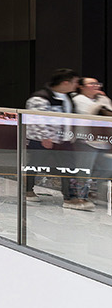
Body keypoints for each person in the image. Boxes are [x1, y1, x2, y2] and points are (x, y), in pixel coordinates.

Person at [25, 68, 92, 210]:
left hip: (64, 140)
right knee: (35, 165)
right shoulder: (40, 98)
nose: (76, 85)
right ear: (65, 83)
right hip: (43, 140)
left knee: (69, 168)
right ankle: (27, 190)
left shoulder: (68, 97)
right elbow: (36, 119)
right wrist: (45, 137)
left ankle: (70, 198)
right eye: (74, 82)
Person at [74, 77, 112, 190]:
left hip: (103, 141)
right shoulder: (78, 99)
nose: (96, 86)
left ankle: (92, 188)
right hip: (85, 140)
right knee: (84, 169)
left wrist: (102, 101)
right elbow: (91, 113)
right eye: (92, 84)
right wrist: (101, 104)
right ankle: (80, 194)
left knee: (108, 167)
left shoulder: (102, 99)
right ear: (81, 87)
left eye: (97, 83)